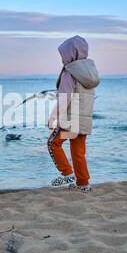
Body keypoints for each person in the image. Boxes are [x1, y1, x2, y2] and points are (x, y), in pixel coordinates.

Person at [47, 36, 100, 193]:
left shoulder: (70, 72)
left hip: (70, 122)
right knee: (78, 152)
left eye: (63, 54)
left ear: (71, 53)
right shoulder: (90, 72)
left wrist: (53, 117)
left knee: (53, 143)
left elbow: (65, 98)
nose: (62, 58)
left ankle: (68, 175)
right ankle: (83, 184)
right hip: (83, 121)